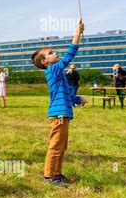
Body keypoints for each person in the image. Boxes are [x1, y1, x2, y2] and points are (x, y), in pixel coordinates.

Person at [31, 19, 87, 187]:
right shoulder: (53, 70)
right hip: (58, 115)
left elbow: (65, 95)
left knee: (62, 146)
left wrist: (77, 99)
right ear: (44, 62)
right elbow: (68, 57)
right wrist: (76, 34)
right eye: (50, 53)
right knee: (56, 145)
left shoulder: (58, 74)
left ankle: (57, 173)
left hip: (64, 114)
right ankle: (49, 176)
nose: (55, 54)